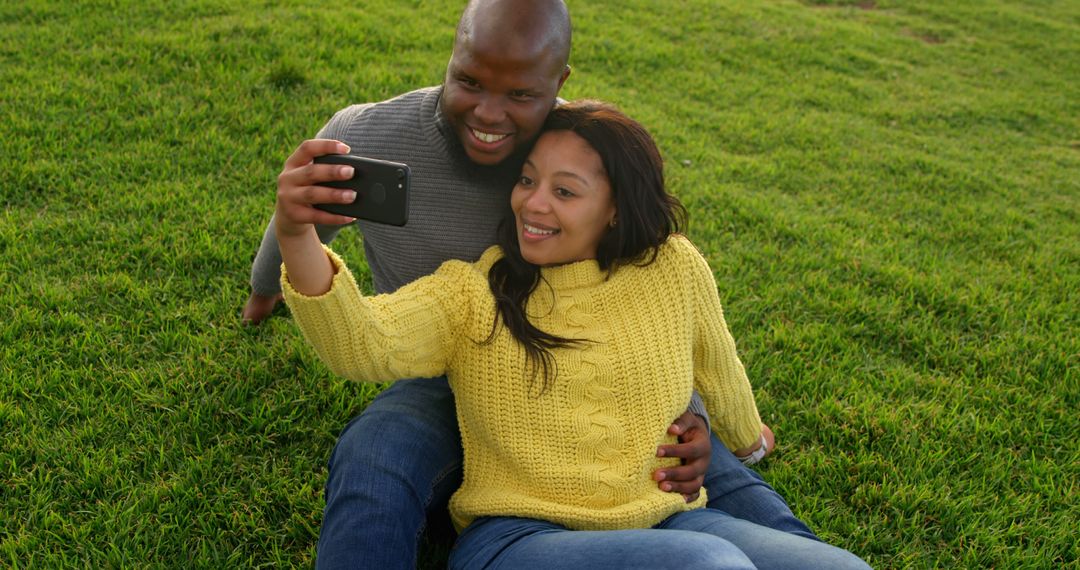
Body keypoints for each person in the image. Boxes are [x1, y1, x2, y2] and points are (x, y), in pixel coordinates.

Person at [245, 0, 816, 567]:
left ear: (557, 81)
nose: (490, 114)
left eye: (520, 95)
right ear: (452, 56)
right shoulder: (370, 138)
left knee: (720, 481)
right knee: (375, 457)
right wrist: (265, 285)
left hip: (616, 395)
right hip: (445, 364)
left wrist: (700, 416)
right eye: (469, 81)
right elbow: (308, 237)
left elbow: (657, 315)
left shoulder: (579, 145)